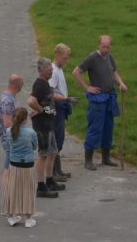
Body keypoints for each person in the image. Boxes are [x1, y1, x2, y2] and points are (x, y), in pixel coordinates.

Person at [77, 34, 129, 168]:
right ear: (99, 45)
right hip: (97, 99)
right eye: (103, 46)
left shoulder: (110, 57)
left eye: (108, 47)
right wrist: (87, 87)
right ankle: (88, 160)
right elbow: (76, 72)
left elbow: (114, 73)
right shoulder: (92, 58)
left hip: (110, 97)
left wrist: (121, 83)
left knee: (108, 127)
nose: (105, 49)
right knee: (95, 128)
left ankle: (106, 158)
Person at [0, 81, 39, 227]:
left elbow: (8, 146)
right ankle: (28, 218)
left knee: (13, 190)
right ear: (25, 119)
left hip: (14, 164)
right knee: (28, 190)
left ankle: (11, 216)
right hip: (27, 164)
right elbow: (34, 146)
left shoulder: (9, 131)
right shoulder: (31, 132)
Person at [31, 59, 65, 198]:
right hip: (42, 125)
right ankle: (40, 187)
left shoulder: (46, 83)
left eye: (51, 69)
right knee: (43, 155)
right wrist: (40, 110)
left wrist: (65, 99)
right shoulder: (39, 84)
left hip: (49, 123)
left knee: (52, 152)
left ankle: (49, 181)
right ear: (42, 70)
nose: (51, 71)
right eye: (49, 70)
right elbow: (31, 101)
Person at [46, 42, 75, 179]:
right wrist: (66, 99)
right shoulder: (53, 71)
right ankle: (53, 172)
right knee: (57, 138)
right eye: (65, 58)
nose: (66, 60)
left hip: (62, 107)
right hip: (57, 107)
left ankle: (58, 170)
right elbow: (50, 93)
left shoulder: (59, 69)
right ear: (57, 55)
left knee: (60, 137)